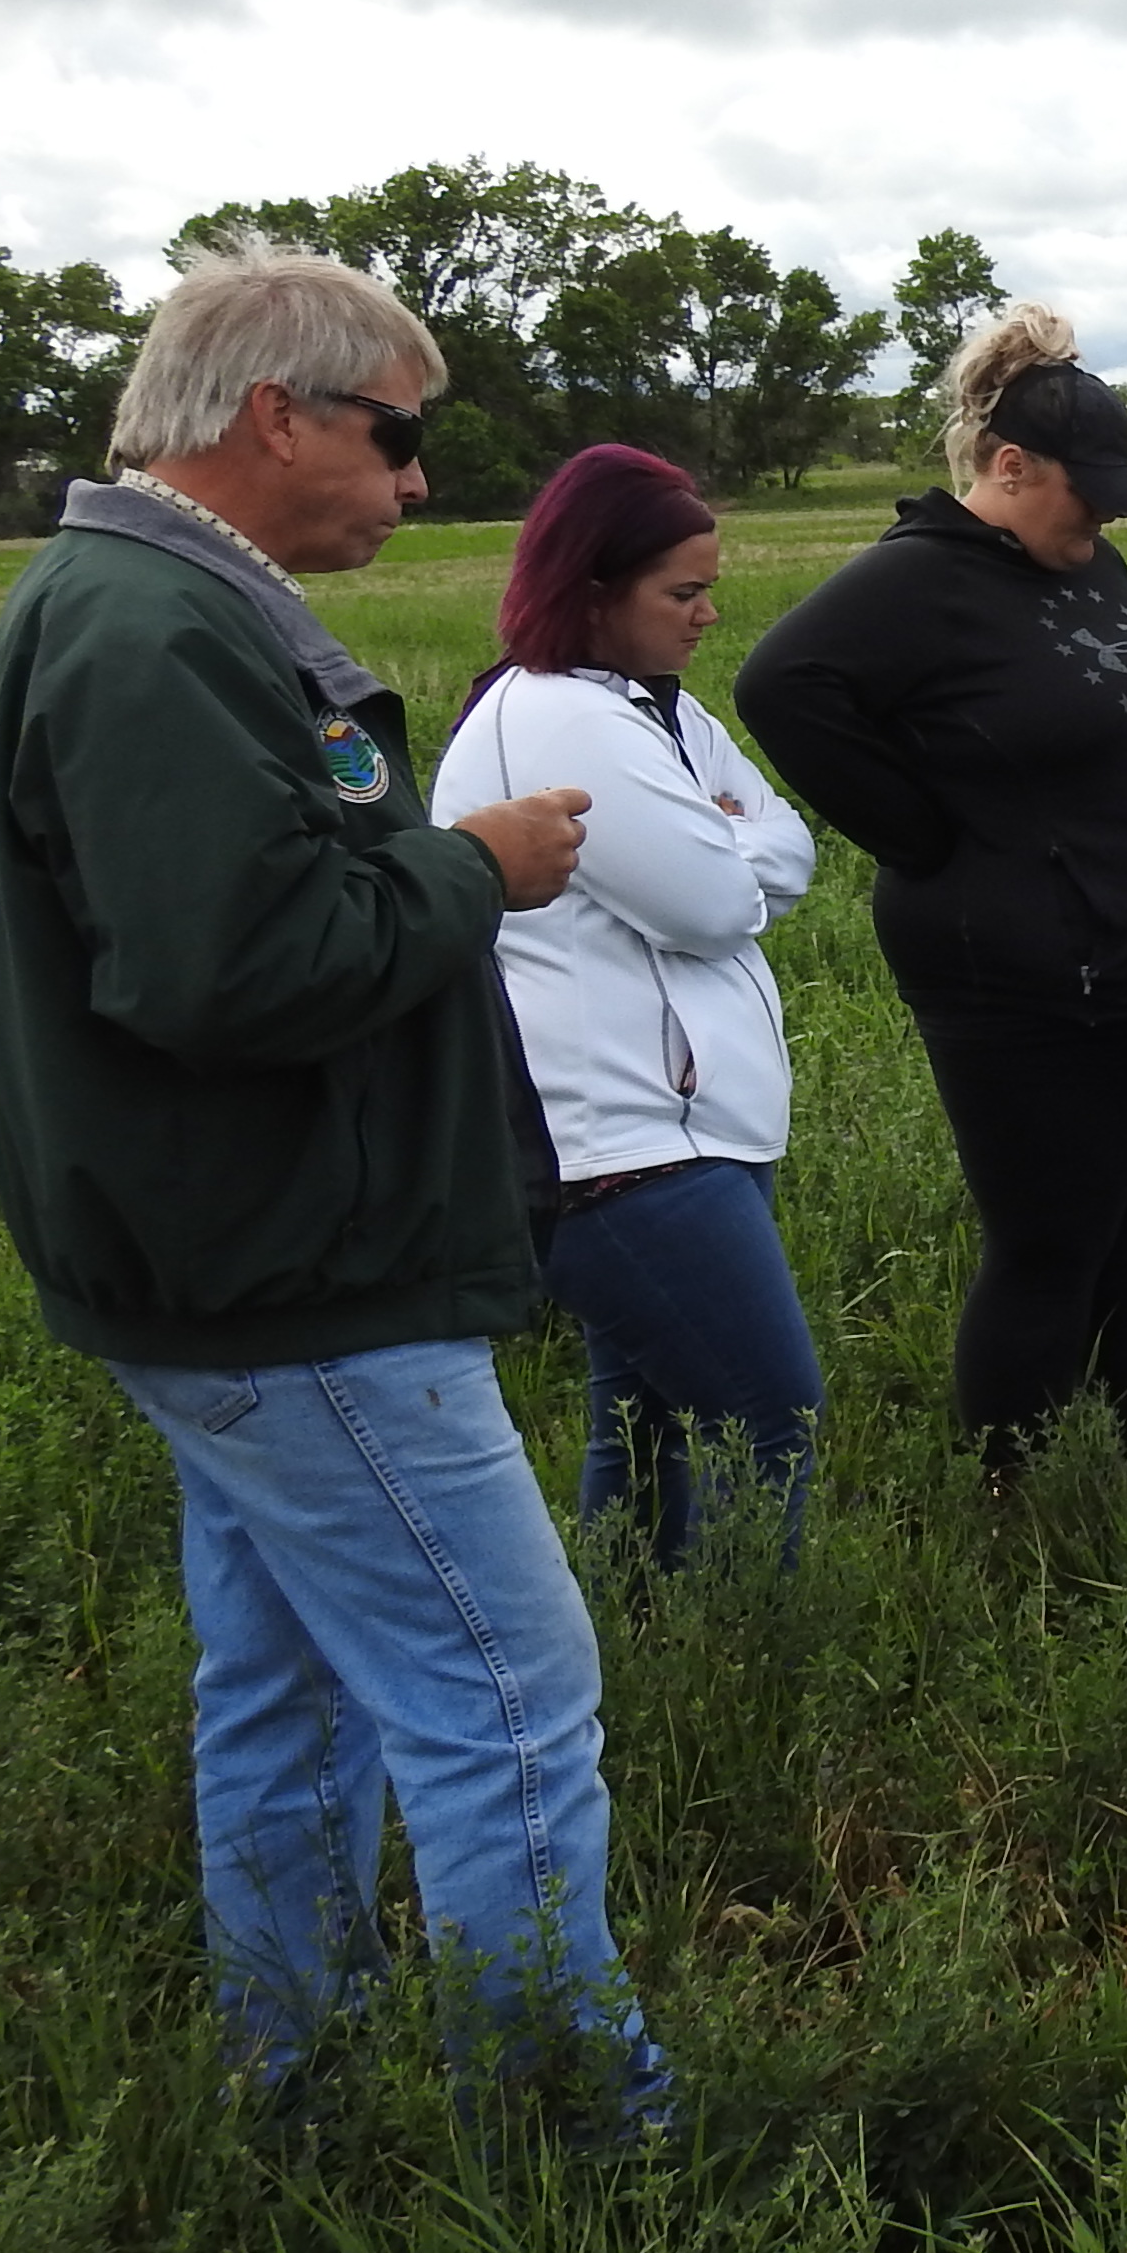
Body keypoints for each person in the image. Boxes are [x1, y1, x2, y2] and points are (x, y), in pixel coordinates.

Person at [0, 238, 666, 2127]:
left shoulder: (154, 601)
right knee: (509, 1695)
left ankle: (301, 2075)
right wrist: (474, 868)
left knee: (291, 1691)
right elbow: (228, 971)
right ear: (277, 413)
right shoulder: (148, 632)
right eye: (396, 432)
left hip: (234, 1266)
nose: (420, 477)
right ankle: (567, 2125)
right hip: (295, 1276)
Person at [735, 308, 1127, 1480]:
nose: (1101, 524)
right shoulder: (914, 583)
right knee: (1046, 1248)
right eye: (1086, 498)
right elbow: (781, 686)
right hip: (1039, 994)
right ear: (1009, 467)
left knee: (1124, 1230)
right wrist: (922, 831)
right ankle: (1017, 1503)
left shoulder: (1089, 564)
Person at [438, 445, 824, 1566]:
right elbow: (712, 902)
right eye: (682, 592)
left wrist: (722, 842)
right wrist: (722, 843)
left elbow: (786, 848)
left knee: (643, 1410)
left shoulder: (656, 710)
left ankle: (635, 1624)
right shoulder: (564, 717)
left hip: (681, 1129)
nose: (710, 615)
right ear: (594, 592)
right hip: (620, 1144)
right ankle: (750, 1661)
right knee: (773, 1416)